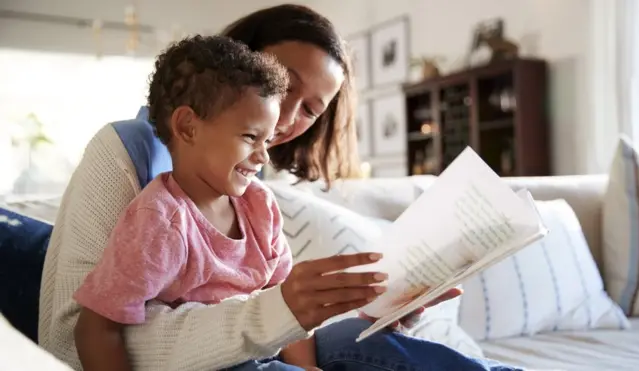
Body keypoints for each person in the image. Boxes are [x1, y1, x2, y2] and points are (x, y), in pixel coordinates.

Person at [39, 4, 524, 371]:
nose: (286, 122)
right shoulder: (130, 163)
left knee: (380, 347)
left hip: (262, 353)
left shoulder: (250, 190)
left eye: (311, 109)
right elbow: (73, 337)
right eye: (285, 86)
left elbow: (269, 307)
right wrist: (276, 315)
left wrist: (379, 310)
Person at [72, 35, 332, 371]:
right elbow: (95, 327)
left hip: (262, 354)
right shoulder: (161, 222)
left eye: (267, 140)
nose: (263, 155)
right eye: (251, 137)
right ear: (188, 127)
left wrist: (304, 368)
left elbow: (286, 303)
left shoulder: (260, 206)